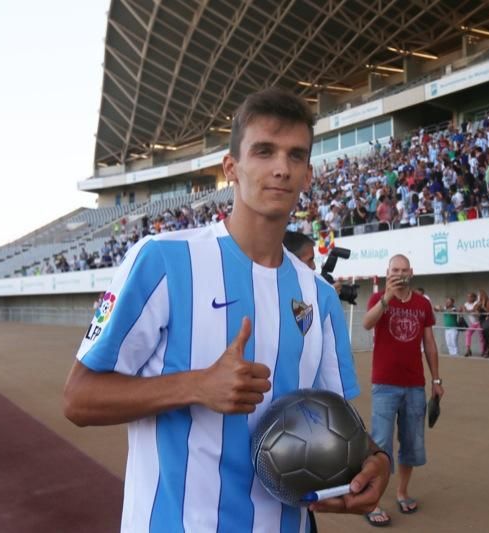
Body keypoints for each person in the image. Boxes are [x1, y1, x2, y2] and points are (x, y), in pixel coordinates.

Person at [63, 88, 390, 533]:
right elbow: (79, 398)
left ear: (308, 174)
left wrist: (376, 459)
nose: (281, 167)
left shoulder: (319, 295)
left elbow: (334, 419)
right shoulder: (162, 260)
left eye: (296, 156)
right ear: (230, 168)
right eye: (264, 151)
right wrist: (197, 385)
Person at [363, 254, 443, 526]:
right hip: (384, 384)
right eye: (394, 270)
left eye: (403, 270)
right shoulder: (379, 299)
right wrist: (387, 297)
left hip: (415, 386)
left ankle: (402, 492)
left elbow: (430, 343)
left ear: (412, 272)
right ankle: (371, 501)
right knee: (381, 444)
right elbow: (367, 323)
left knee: (411, 443)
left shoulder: (423, 304)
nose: (399, 273)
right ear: (388, 272)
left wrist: (437, 380)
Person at [462, 292, 484, 357]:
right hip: (473, 324)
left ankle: (483, 351)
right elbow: (464, 310)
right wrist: (466, 310)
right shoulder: (466, 304)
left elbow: (476, 311)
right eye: (468, 297)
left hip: (479, 322)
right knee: (467, 333)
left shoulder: (476, 302)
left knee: (481, 337)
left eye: (470, 297)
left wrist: (469, 311)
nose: (468, 298)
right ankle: (468, 350)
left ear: (474, 297)